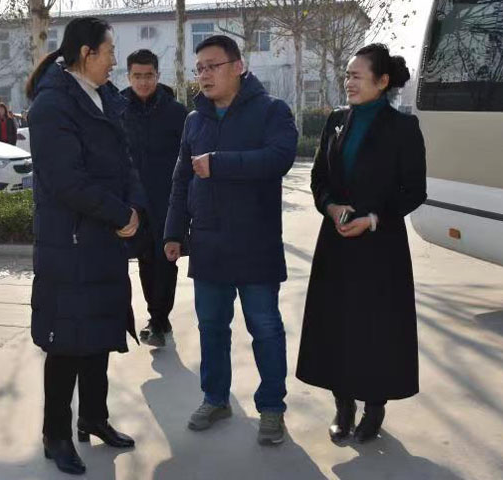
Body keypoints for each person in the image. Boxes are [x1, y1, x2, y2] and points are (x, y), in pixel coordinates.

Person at [164, 35, 297, 445]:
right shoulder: (195, 120)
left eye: (213, 66)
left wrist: (219, 164)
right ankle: (215, 398)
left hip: (255, 241)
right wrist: (173, 231)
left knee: (265, 328)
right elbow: (181, 179)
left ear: (238, 67)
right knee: (211, 328)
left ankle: (271, 408)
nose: (204, 75)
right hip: (208, 242)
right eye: (199, 68)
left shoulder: (271, 111)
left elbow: (279, 158)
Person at [26, 17, 145, 475]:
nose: (115, 60)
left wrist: (134, 208)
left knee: (98, 335)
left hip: (104, 239)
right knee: (66, 343)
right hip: (71, 243)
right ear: (86, 53)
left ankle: (94, 418)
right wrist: (120, 214)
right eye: (109, 51)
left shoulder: (104, 97)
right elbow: (66, 180)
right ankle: (55, 434)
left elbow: (125, 161)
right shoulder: (52, 105)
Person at [296, 43, 427, 444]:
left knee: (376, 327)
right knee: (336, 323)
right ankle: (343, 406)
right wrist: (331, 207)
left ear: (382, 81)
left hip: (380, 246)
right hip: (336, 242)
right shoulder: (337, 121)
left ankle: (374, 407)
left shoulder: (403, 128)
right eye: (347, 75)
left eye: (356, 75)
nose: (348, 82)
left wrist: (372, 218)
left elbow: (414, 190)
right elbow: (319, 178)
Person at [122, 49, 188, 348]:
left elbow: (186, 158)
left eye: (149, 75)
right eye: (137, 76)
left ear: (158, 76)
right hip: (134, 203)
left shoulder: (176, 113)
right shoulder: (118, 110)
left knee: (166, 260)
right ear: (128, 76)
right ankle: (157, 317)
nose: (143, 82)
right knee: (145, 260)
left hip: (168, 201)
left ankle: (159, 319)